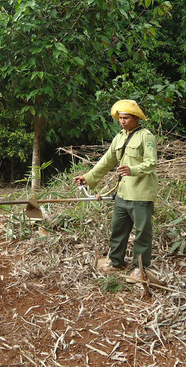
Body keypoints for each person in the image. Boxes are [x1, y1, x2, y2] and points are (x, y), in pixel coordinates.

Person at [73, 100, 158, 277]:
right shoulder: (119, 137)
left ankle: (140, 268)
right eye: (120, 118)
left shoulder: (146, 136)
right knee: (118, 229)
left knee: (142, 233)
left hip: (140, 193)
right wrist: (87, 178)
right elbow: (107, 160)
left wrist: (132, 170)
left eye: (126, 118)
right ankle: (116, 262)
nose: (122, 121)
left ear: (136, 118)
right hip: (122, 193)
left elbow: (151, 163)